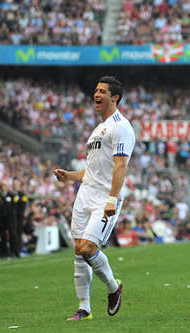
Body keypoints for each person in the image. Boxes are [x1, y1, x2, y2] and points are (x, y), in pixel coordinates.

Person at [54, 76, 135, 321]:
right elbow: (92, 170)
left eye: (102, 91)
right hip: (85, 194)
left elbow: (121, 166)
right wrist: (70, 176)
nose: (96, 94)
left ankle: (113, 287)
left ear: (115, 97)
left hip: (104, 198)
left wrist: (112, 198)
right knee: (79, 250)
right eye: (95, 90)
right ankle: (84, 308)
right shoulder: (97, 130)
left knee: (89, 248)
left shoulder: (121, 126)